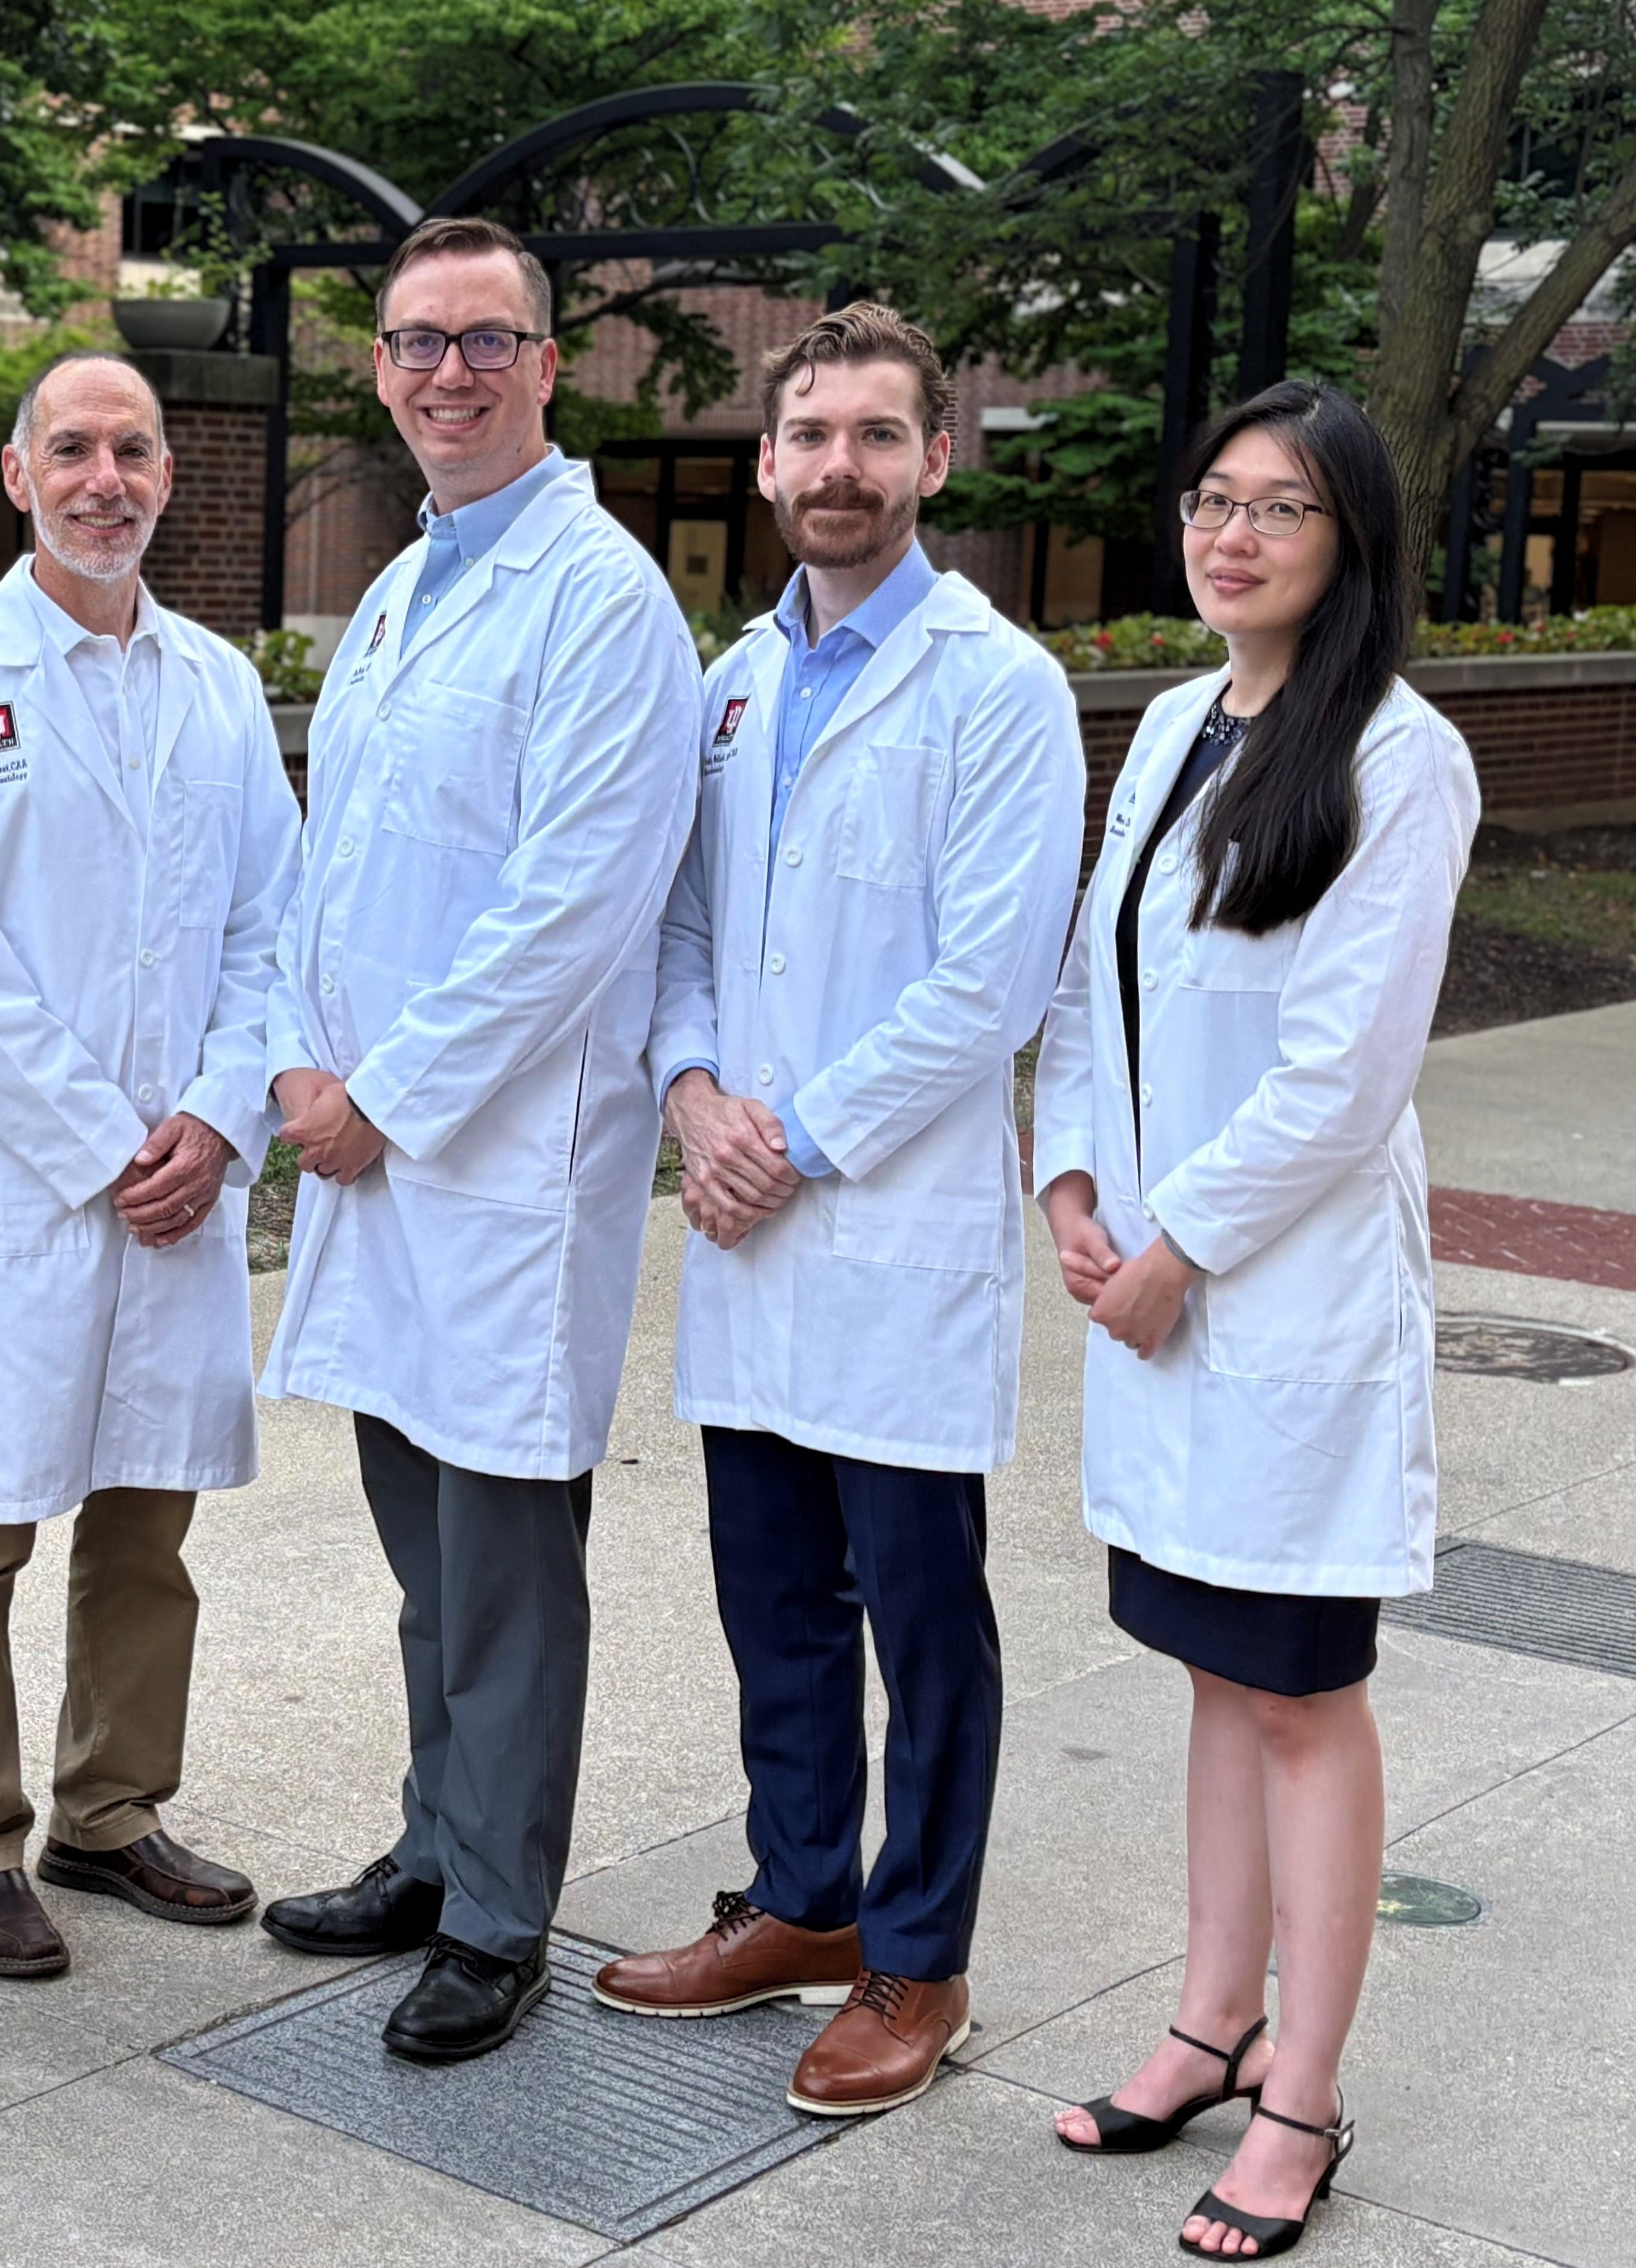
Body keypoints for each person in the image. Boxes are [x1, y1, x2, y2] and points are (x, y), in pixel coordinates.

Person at [596, 306, 1084, 2119]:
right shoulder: (730, 687)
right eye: (809, 435)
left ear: (936, 460)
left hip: (876, 1224)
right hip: (746, 1213)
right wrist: (697, 1094)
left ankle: (916, 1951)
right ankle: (799, 1897)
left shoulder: (997, 685)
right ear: (766, 458)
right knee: (773, 1595)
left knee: (922, 1616)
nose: (839, 468)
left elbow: (993, 980)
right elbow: (690, 932)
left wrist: (788, 1135)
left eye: (879, 437)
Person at [1034, 380, 1477, 2262]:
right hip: (1157, 1286)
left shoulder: (1401, 755)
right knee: (1218, 1673)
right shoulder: (1169, 729)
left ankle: (1303, 2086)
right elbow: (1090, 976)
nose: (1230, 534)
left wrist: (1176, 1245)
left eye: (1277, 508)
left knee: (1303, 1693)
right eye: (1213, 500)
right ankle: (1208, 2024)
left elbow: (1340, 1076)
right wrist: (1069, 1178)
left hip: (1272, 1301)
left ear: (1351, 541)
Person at [253, 216, 699, 2062]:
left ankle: (502, 1911)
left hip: (498, 1165)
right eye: (418, 341)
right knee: (421, 1534)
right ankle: (436, 1846)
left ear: (545, 361)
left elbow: (574, 905)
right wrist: (294, 1061)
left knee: (506, 1552)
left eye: (486, 339)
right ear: (381, 369)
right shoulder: (401, 585)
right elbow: (323, 858)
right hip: (366, 1144)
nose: (450, 370)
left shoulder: (605, 602)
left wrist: (388, 1095)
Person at [0, 352, 300, 1979]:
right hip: (22, 1176)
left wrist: (220, 1113)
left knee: (146, 1518)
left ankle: (113, 1809)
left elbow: (273, 921)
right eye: (74, 449)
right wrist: (100, 1133)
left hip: (181, 1168)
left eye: (132, 449)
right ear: (18, 473)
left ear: (168, 477)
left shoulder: (216, 687)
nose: (103, 476)